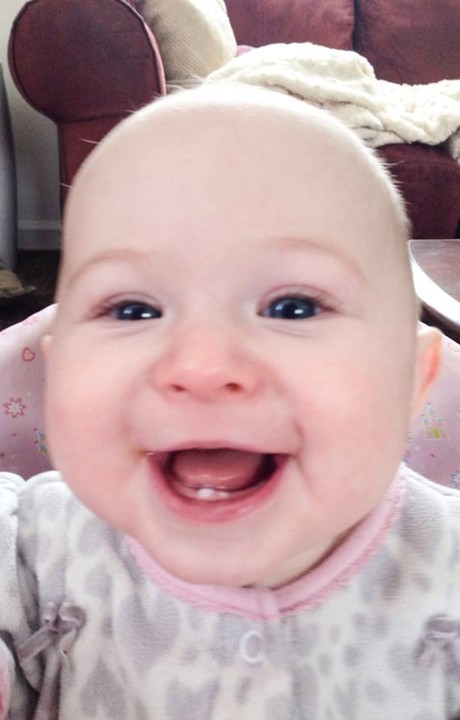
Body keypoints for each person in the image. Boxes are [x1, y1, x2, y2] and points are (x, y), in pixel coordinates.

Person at [0, 81, 457, 719]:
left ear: (412, 378)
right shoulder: (33, 553)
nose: (202, 367)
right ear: (58, 373)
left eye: (292, 307)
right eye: (133, 309)